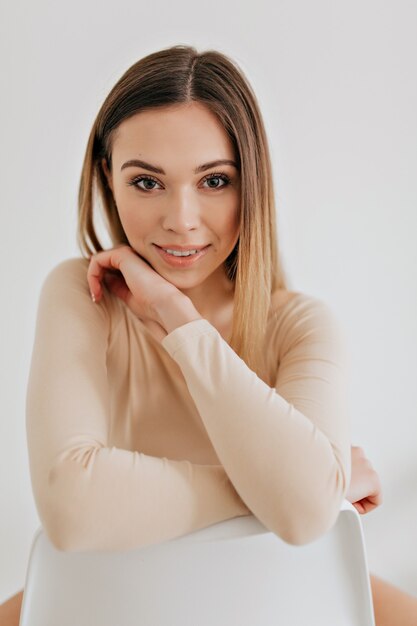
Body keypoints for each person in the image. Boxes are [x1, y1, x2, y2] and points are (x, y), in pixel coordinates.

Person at [1, 44, 416, 626]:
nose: (183, 218)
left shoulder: (300, 325)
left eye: (215, 180)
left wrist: (178, 317)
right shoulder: (81, 294)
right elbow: (71, 508)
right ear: (107, 179)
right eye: (147, 182)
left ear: (254, 185)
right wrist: (296, 483)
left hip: (274, 603)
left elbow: (303, 516)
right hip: (108, 604)